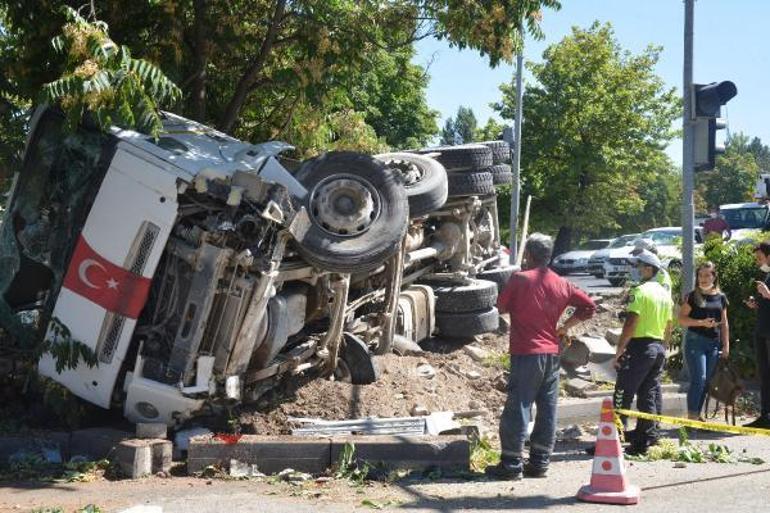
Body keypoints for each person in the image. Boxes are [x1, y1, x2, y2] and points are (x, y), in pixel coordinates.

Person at [488, 233, 596, 480]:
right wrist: (565, 326)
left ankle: (511, 464)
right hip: (552, 354)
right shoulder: (561, 282)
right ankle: (539, 463)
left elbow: (501, 307)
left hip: (527, 353)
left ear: (528, 255)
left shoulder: (519, 279)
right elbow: (589, 306)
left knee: (519, 406)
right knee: (547, 409)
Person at [612, 250, 673, 455]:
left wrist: (619, 350)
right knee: (648, 393)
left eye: (639, 266)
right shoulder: (665, 293)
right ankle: (645, 440)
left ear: (649, 268)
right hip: (657, 348)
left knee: (623, 392)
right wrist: (663, 347)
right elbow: (669, 326)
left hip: (639, 347)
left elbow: (631, 323)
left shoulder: (640, 291)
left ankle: (614, 439)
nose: (636, 270)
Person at [678, 262, 730, 420]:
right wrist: (701, 323)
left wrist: (726, 345)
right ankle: (692, 417)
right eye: (700, 275)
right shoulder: (692, 296)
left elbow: (725, 323)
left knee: (707, 382)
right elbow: (681, 319)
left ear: (714, 277)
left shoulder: (721, 297)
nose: (704, 278)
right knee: (698, 379)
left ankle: (697, 414)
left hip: (713, 344)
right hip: (695, 342)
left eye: (707, 275)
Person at [743, 242, 770, 428]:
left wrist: (768, 294)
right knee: (765, 374)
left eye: (759, 257)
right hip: (762, 330)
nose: (757, 261)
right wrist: (757, 303)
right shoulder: (767, 275)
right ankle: (765, 415)